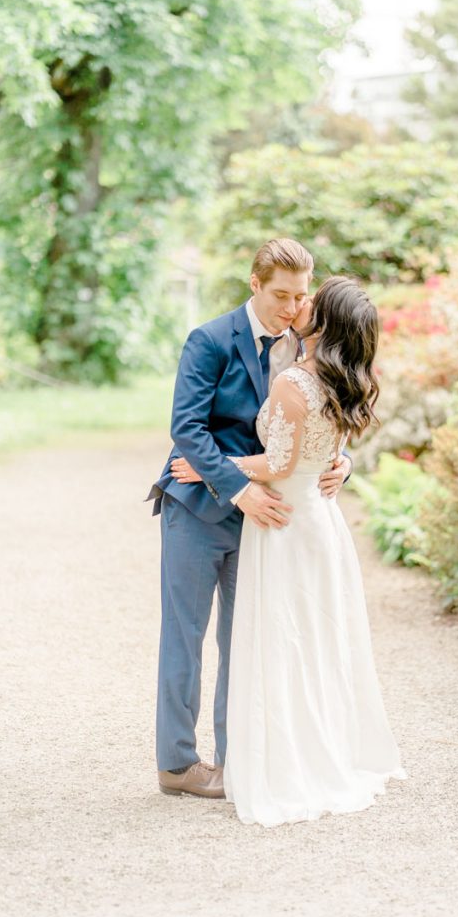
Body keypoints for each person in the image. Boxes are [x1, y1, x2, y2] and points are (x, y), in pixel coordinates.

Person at [171, 276, 405, 826]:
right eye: (292, 297)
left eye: (310, 301)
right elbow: (321, 444)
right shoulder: (344, 376)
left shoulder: (297, 380)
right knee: (312, 641)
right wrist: (334, 460)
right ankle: (303, 749)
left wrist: (218, 470)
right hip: (318, 525)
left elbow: (279, 464)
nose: (299, 306)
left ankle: (281, 761)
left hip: (285, 522)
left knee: (281, 639)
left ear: (321, 319)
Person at [147, 239, 350, 798]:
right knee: (184, 637)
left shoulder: (303, 346)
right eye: (280, 295)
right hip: (197, 508)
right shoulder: (209, 339)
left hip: (266, 521)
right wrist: (240, 489)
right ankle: (177, 765)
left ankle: (238, 760)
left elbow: (322, 420)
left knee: (246, 641)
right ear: (254, 284)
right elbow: (187, 429)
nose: (290, 307)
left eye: (300, 296)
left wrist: (342, 464)